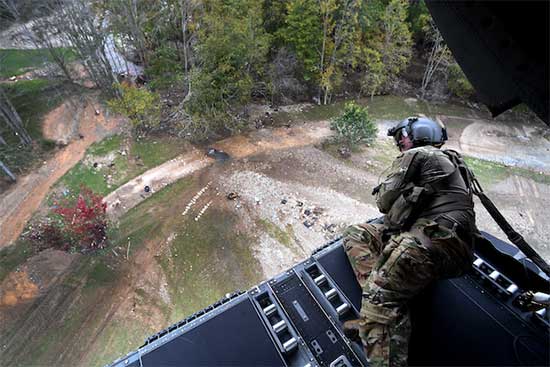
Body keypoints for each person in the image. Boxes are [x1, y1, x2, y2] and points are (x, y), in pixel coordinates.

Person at [342, 116, 479, 367]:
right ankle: (381, 305)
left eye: (401, 137)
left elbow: (384, 202)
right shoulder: (449, 161)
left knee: (380, 300)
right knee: (357, 234)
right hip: (449, 247)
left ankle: (380, 310)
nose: (399, 143)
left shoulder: (419, 155)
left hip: (429, 245)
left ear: (416, 135)